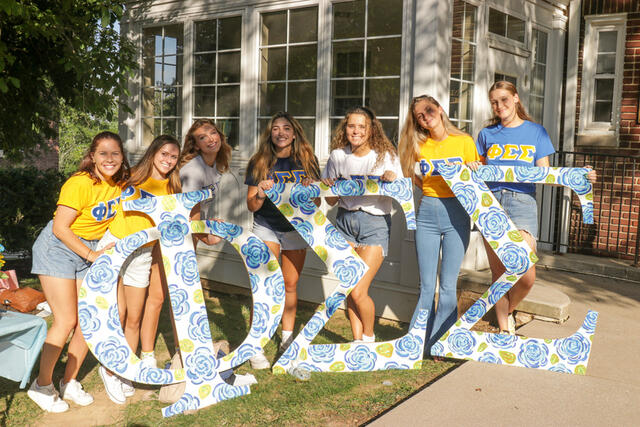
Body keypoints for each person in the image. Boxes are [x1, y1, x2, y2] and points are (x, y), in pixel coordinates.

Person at [470, 81, 596, 335]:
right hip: (491, 202)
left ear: (516, 99)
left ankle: (505, 311)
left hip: (522, 202)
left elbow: (546, 173)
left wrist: (583, 177)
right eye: (494, 102)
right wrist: (473, 165)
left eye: (504, 99)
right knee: (499, 272)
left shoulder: (536, 132)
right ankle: (506, 329)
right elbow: (477, 169)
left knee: (525, 272)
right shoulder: (486, 135)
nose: (499, 106)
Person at [28, 131, 130, 412]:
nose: (109, 159)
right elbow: (61, 228)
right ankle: (42, 384)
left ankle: (68, 380)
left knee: (87, 319)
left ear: (122, 157)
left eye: (115, 153)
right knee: (66, 320)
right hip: (58, 247)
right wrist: (91, 255)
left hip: (90, 249)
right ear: (92, 156)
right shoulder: (80, 183)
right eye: (103, 153)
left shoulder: (120, 185)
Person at [97, 135, 182, 404]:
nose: (168, 160)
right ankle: (108, 368)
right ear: (154, 152)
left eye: (173, 157)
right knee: (115, 312)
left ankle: (123, 369)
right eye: (164, 154)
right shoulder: (130, 176)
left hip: (143, 253)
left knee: (134, 316)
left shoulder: (172, 187)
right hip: (115, 247)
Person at [398, 95, 480, 355]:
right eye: (420, 116)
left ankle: (442, 345)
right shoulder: (420, 145)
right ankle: (418, 345)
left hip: (457, 212)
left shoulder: (464, 141)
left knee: (447, 285)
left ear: (441, 109)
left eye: (429, 110)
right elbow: (414, 177)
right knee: (426, 286)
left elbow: (475, 176)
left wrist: (474, 168)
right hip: (428, 212)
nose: (425, 116)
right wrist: (433, 191)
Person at [245, 111, 320, 368]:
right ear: (270, 133)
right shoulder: (259, 161)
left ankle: (287, 340)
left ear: (295, 132)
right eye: (275, 128)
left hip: (297, 228)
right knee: (265, 283)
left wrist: (312, 190)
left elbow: (318, 202)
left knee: (289, 285)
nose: (280, 132)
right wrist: (262, 194)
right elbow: (251, 206)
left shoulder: (308, 161)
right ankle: (256, 345)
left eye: (286, 128)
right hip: (266, 225)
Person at [321, 106, 402, 342]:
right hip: (344, 221)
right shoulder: (338, 156)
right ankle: (357, 342)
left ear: (371, 129)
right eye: (351, 125)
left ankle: (368, 338)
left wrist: (391, 179)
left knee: (359, 290)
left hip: (374, 223)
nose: (355, 131)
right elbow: (331, 200)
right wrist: (330, 184)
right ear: (345, 128)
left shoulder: (385, 156)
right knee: (349, 289)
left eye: (361, 126)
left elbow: (398, 193)